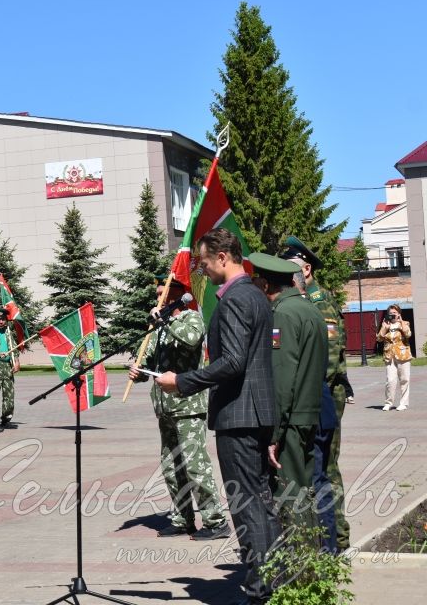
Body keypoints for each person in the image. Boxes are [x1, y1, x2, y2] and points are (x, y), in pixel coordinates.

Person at [156, 229, 280, 605]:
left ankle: (262, 591)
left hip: (240, 417)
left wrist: (183, 382)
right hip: (253, 414)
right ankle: (276, 582)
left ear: (223, 257)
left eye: (205, 261)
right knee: (261, 504)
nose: (202, 269)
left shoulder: (238, 299)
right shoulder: (253, 295)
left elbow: (234, 362)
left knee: (248, 507)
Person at [128, 276, 228, 540]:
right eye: (157, 294)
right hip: (165, 406)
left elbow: (191, 341)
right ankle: (182, 518)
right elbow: (150, 361)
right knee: (171, 467)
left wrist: (165, 321)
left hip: (188, 404)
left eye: (162, 293)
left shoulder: (191, 318)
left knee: (195, 465)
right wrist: (138, 372)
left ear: (178, 295)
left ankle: (215, 521)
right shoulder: (158, 327)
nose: (158, 298)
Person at [281, 235, 351, 550]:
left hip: (325, 395)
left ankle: (337, 536)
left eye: (291, 266)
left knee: (325, 468)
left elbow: (330, 357)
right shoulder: (299, 299)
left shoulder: (320, 301)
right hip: (312, 394)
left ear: (306, 269)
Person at [250, 252, 325, 532]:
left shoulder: (282, 313)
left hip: (291, 421)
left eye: (256, 279)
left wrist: (274, 435)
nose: (255, 285)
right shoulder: (308, 309)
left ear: (267, 285)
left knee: (290, 496)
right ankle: (312, 561)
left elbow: (282, 380)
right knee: (304, 491)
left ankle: (300, 568)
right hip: (307, 413)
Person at [377, 304, 411, 411]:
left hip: (403, 355)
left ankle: (404, 403)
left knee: (404, 379)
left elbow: (408, 334)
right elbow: (379, 339)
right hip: (389, 356)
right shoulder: (385, 325)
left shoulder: (405, 323)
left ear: (399, 314)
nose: (392, 315)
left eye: (394, 313)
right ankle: (388, 402)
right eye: (390, 313)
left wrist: (401, 323)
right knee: (390, 380)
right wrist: (384, 328)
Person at [0, 309, 20, 429]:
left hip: (7, 366)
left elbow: (13, 348)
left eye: (3, 319)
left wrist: (17, 362)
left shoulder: (8, 333)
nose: (1, 321)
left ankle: (6, 418)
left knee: (9, 394)